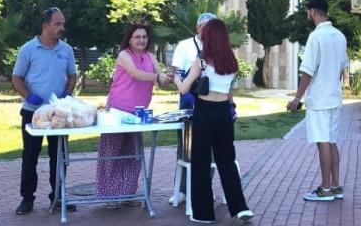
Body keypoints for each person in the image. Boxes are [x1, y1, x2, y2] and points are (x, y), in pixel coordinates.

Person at [169, 19, 254, 223]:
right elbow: (229, 89)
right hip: (224, 112)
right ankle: (240, 207)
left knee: (200, 161)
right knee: (227, 160)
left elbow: (184, 89)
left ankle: (203, 213)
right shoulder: (231, 62)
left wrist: (176, 79)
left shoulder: (201, 62)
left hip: (205, 112)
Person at [12, 7, 78, 215]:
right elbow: (17, 78)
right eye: (57, 24)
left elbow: (72, 76)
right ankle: (27, 199)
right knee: (30, 156)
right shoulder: (28, 49)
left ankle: (57, 197)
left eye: (63, 24)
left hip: (59, 114)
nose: (62, 28)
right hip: (33, 112)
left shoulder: (66, 50)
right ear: (45, 26)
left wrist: (68, 92)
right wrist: (27, 95)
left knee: (59, 156)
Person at [95, 23, 167, 208]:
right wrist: (158, 77)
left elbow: (162, 80)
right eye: (137, 37)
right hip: (118, 111)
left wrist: (172, 77)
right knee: (111, 153)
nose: (141, 40)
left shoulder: (151, 57)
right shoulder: (124, 55)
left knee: (133, 154)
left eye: (144, 37)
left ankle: (127, 194)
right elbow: (136, 74)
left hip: (139, 113)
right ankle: (109, 197)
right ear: (130, 39)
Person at [286, 0, 349, 202]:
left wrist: (297, 97)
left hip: (320, 99)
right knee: (331, 142)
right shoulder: (339, 36)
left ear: (312, 11)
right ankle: (337, 186)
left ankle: (325, 188)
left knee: (322, 143)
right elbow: (341, 67)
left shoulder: (316, 36)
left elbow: (308, 71)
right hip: (334, 96)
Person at [168, 12, 217, 205]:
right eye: (204, 26)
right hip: (188, 102)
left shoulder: (218, 47)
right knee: (185, 147)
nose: (207, 30)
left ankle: (204, 189)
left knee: (209, 149)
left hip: (211, 102)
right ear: (197, 28)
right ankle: (181, 190)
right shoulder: (185, 46)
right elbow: (175, 73)